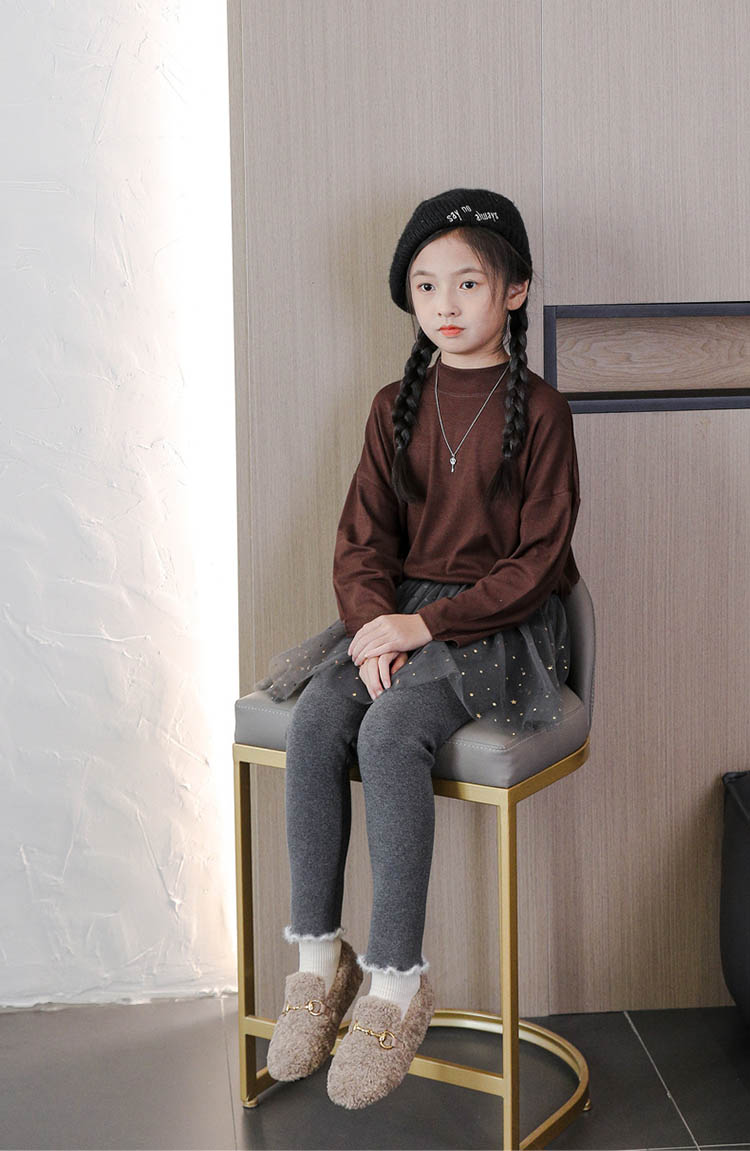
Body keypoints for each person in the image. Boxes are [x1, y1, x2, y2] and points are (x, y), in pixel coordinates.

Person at [257, 187, 582, 1109]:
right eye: (426, 284)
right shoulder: (392, 405)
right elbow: (361, 541)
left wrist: (424, 626)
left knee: (391, 730)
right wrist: (374, 626)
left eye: (469, 282)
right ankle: (318, 962)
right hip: (398, 616)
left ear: (514, 291)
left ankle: (397, 980)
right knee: (321, 714)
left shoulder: (542, 411)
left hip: (501, 625)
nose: (446, 303)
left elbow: (539, 562)